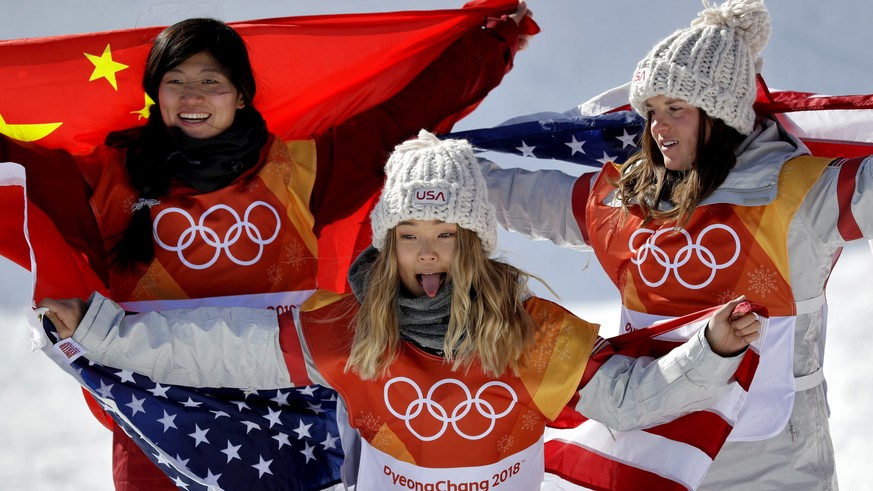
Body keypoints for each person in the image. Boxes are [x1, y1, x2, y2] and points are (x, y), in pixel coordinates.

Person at [41, 130, 763, 489]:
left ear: (474, 243)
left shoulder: (530, 333)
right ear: (387, 245)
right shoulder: (349, 330)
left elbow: (632, 400)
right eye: (409, 236)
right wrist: (102, 330)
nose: (426, 253)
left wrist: (713, 349)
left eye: (445, 235)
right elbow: (220, 348)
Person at [1, 9, 533, 490]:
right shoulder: (103, 180)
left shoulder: (300, 169)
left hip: (288, 419)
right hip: (162, 418)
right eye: (175, 82)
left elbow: (404, 114)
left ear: (241, 93)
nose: (192, 98)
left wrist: (493, 43)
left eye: (211, 82)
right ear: (155, 95)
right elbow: (11, 167)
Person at [478, 0, 873, 488]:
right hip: (656, 457)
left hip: (771, 468)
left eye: (676, 109)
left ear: (721, 113)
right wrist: (447, 173)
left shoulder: (801, 194)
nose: (657, 128)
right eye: (652, 111)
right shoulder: (628, 199)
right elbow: (531, 198)